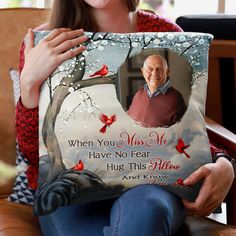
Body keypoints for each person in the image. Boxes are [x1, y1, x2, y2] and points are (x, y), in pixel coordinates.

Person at [15, 0, 235, 235]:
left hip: (152, 185)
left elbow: (185, 129)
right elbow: (32, 155)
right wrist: (29, 85)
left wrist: (224, 161)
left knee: (147, 209)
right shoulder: (45, 44)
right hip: (71, 188)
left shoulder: (168, 35)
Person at [127, 54, 187, 128]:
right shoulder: (138, 94)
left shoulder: (176, 99)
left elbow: (181, 131)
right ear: (143, 72)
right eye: (150, 69)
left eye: (159, 69)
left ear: (167, 72)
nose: (154, 73)